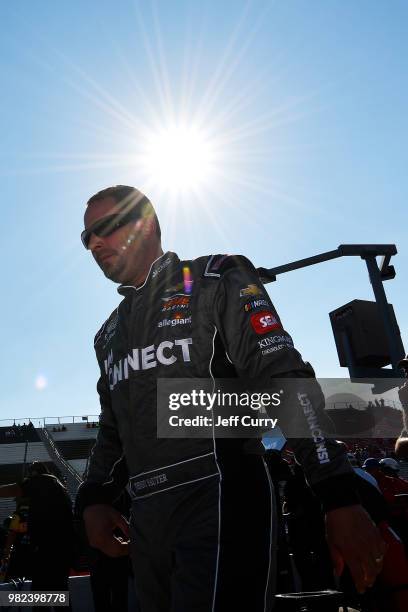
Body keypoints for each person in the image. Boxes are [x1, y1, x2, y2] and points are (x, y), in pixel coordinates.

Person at [76, 185, 386, 611]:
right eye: (86, 236)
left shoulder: (216, 277)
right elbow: (112, 429)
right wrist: (93, 497)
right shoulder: (106, 334)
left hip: (220, 497)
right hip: (146, 519)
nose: (94, 242)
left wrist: (337, 494)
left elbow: (283, 377)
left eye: (105, 228)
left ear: (146, 225)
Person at [0, 461, 75, 607]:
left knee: (40, 593)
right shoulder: (58, 488)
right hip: (63, 551)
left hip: (46, 551)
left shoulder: (42, 481)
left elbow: (14, 490)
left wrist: (7, 551)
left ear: (34, 474)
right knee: (60, 592)